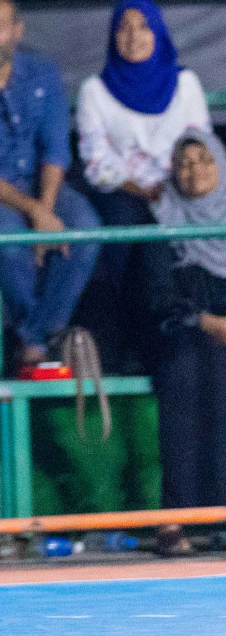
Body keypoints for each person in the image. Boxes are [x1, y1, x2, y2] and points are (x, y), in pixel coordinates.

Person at [0, 0, 100, 370]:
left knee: (85, 226)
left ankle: (32, 339)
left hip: (42, 186)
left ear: (17, 31)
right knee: (7, 235)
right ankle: (48, 339)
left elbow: (56, 149)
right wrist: (36, 214)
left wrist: (44, 209)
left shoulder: (43, 74)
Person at [76, 0, 208, 361]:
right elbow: (96, 162)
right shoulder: (94, 91)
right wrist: (142, 188)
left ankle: (188, 337)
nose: (134, 36)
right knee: (126, 228)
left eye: (143, 26)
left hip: (179, 187)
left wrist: (174, 186)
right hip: (124, 191)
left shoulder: (186, 84)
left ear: (158, 33)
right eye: (124, 28)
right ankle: (129, 344)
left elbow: (199, 144)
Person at [138, 129, 226, 556]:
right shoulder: (162, 220)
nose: (195, 171)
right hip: (178, 335)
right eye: (185, 163)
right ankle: (176, 518)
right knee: (189, 370)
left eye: (205, 160)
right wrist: (210, 322)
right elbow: (156, 297)